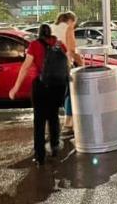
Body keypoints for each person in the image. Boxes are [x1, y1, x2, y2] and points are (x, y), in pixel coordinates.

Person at [9, 24, 81, 165]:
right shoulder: (60, 44)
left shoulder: (35, 45)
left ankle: (40, 154)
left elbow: (25, 67)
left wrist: (15, 88)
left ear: (39, 33)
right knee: (53, 116)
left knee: (39, 120)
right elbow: (67, 64)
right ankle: (54, 147)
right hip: (58, 87)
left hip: (41, 86)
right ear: (51, 34)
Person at [51, 12, 79, 133]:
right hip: (62, 66)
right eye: (74, 24)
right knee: (70, 94)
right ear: (70, 21)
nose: (74, 26)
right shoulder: (68, 29)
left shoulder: (51, 28)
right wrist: (82, 64)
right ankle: (68, 123)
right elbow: (72, 50)